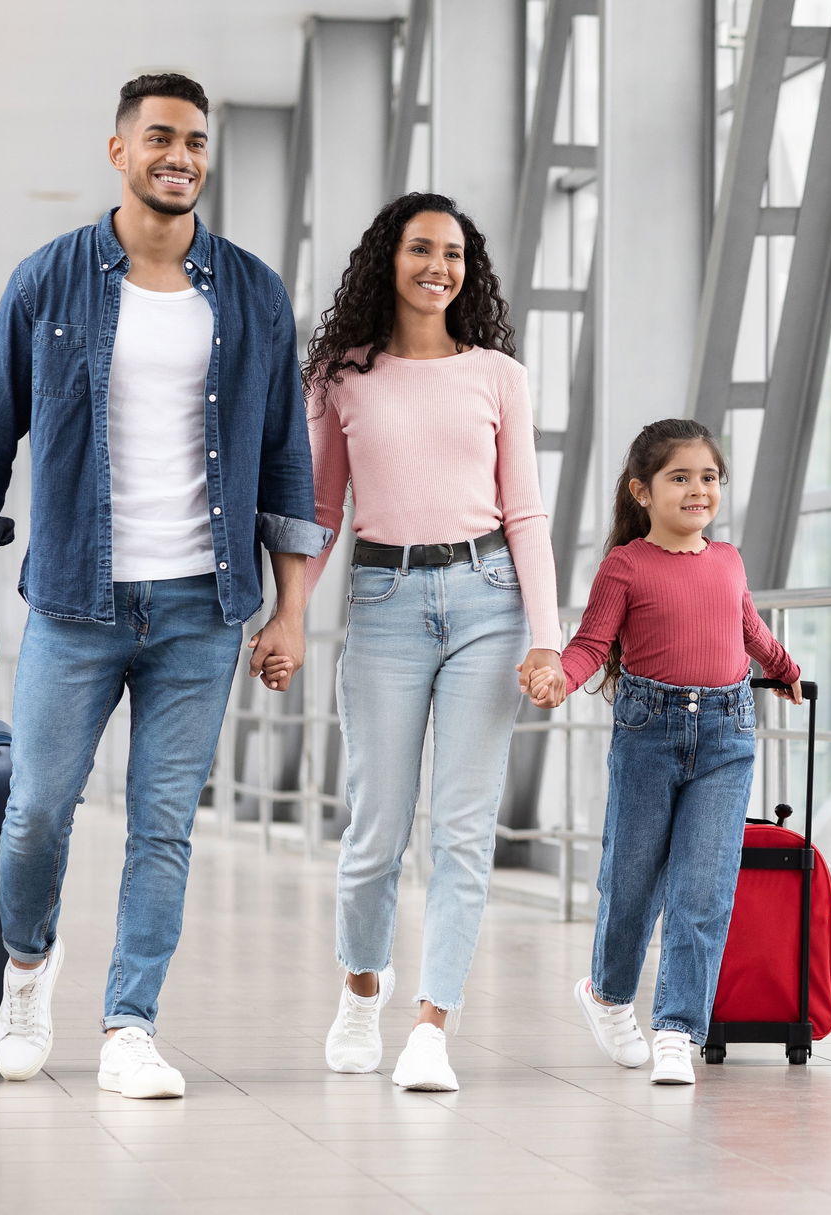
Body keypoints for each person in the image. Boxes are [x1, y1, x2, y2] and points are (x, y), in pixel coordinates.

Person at [0, 73, 329, 1100]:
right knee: (39, 815)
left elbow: (288, 460)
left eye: (195, 141)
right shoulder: (48, 281)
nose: (180, 156)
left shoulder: (249, 293)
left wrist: (289, 607)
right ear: (119, 151)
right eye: (159, 138)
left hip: (202, 606)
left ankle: (129, 1025)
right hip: (73, 600)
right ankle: (26, 970)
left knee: (162, 825)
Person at [301, 193, 563, 1092]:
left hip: (488, 601)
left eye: (453, 253)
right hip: (382, 597)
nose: (437, 267)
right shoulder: (342, 374)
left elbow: (525, 510)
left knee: (460, 830)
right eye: (420, 249)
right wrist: (287, 610)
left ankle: (432, 1026)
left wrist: (547, 638)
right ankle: (361, 987)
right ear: (389, 259)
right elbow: (321, 512)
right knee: (375, 828)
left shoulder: (498, 374)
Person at [523, 418, 803, 1086]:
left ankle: (678, 1028)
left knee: (703, 887)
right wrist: (558, 673)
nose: (697, 489)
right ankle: (608, 994)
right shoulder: (625, 565)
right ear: (642, 491)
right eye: (680, 477)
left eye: (708, 477)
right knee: (632, 880)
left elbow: (751, 628)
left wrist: (787, 668)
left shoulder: (728, 560)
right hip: (648, 735)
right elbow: (593, 642)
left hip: (726, 739)